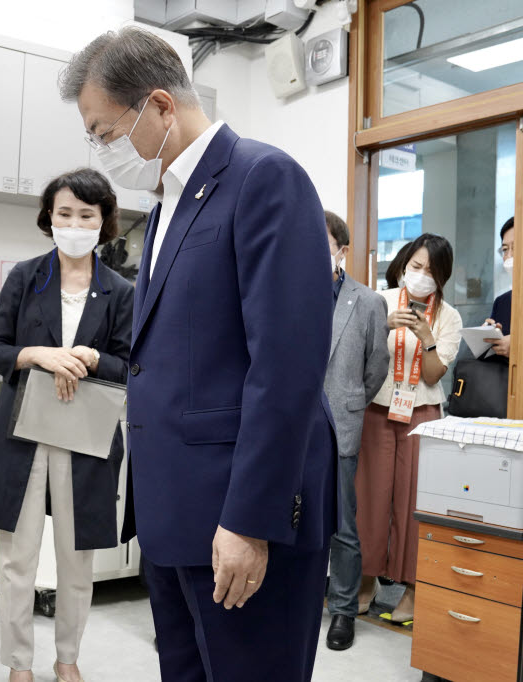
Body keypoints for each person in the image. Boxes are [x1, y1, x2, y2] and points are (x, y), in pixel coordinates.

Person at [61, 27, 337, 681]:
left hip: (238, 519)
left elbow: (286, 368)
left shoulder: (264, 178)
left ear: (159, 106)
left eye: (105, 133)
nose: (103, 153)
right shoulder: (166, 207)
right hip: (176, 516)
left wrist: (248, 521)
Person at [0, 168, 134, 682]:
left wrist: (90, 357)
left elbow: (131, 365)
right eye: (65, 213)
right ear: (49, 218)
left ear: (103, 221)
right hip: (24, 430)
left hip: (84, 436)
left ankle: (68, 659)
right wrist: (39, 354)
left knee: (75, 560)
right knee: (18, 561)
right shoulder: (26, 276)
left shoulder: (121, 291)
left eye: (86, 215)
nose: (74, 223)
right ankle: (19, 664)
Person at [355, 233, 462, 625]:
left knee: (414, 505)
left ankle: (412, 592)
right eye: (415, 267)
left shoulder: (449, 316)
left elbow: (435, 375)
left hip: (422, 416)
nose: (420, 276)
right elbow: (355, 355)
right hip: (376, 411)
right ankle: (366, 582)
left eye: (431, 272)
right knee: (369, 498)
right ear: (402, 265)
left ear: (442, 278)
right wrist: (383, 326)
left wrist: (428, 339)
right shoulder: (378, 301)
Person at [322, 211, 390, 651]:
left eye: (321, 242)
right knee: (294, 520)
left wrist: (349, 402)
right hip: (292, 425)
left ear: (341, 250)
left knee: (343, 526)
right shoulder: (286, 292)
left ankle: (343, 610)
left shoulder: (366, 301)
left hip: (341, 422)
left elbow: (376, 367)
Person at [484, 217, 514, 357]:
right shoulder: (502, 302)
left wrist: (516, 345)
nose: (510, 256)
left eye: (517, 247)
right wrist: (486, 338)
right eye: (505, 249)